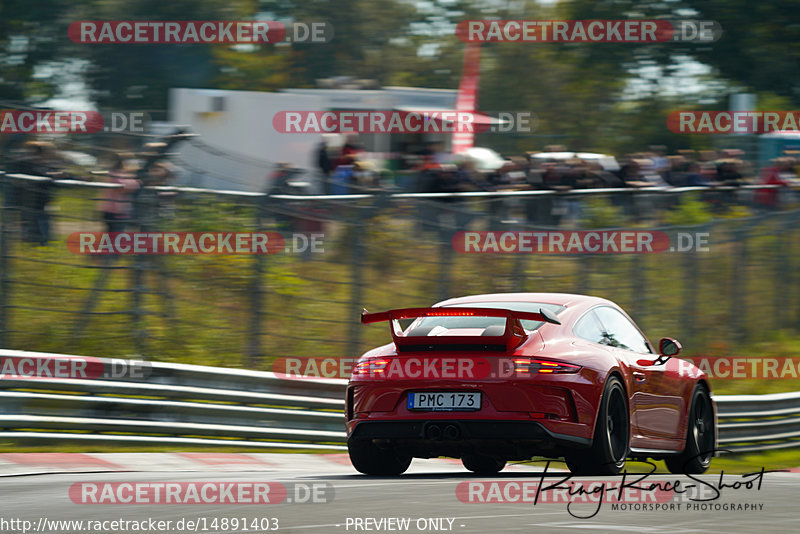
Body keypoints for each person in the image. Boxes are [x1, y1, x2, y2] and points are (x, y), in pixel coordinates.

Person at [99, 153, 140, 232]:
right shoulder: (115, 174)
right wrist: (134, 181)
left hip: (119, 210)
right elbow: (125, 187)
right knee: (114, 232)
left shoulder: (123, 174)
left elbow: (134, 185)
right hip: (115, 210)